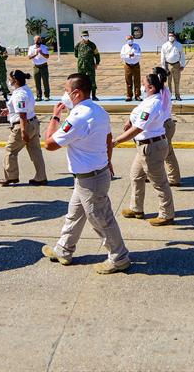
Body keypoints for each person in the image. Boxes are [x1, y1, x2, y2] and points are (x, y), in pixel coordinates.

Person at [42, 73, 131, 274]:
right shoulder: (99, 110)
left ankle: (119, 257)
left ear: (76, 93)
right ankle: (63, 250)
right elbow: (108, 138)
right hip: (92, 176)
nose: (64, 95)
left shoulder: (78, 118)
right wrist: (108, 161)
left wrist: (55, 117)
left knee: (102, 219)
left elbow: (49, 144)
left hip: (90, 179)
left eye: (66, 91)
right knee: (74, 215)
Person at [113, 73, 176, 226]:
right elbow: (138, 116)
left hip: (151, 147)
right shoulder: (148, 101)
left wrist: (116, 141)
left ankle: (167, 214)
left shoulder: (153, 104)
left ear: (151, 87)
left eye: (143, 84)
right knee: (136, 176)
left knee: (159, 182)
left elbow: (139, 128)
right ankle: (136, 209)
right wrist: (129, 119)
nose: (140, 87)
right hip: (144, 147)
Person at [0, 70, 47, 186]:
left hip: (24, 125)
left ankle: (11, 177)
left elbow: (22, 114)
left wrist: (23, 131)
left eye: (10, 79)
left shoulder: (19, 95)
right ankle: (41, 177)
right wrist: (9, 110)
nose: (8, 81)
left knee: (10, 150)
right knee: (35, 152)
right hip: (33, 122)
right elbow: (23, 107)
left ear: (15, 81)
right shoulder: (24, 89)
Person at [152, 66, 181, 187]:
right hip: (167, 124)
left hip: (164, 125)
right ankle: (151, 174)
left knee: (167, 153)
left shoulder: (159, 93)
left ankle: (174, 178)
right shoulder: (164, 90)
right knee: (154, 152)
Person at [74, 30, 101, 101]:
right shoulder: (78, 45)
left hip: (90, 66)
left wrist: (97, 63)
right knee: (81, 81)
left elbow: (96, 54)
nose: (85, 37)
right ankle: (82, 96)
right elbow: (76, 54)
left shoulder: (92, 45)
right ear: (81, 37)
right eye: (84, 36)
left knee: (92, 80)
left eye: (86, 35)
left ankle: (94, 96)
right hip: (81, 66)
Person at [160, 32, 186, 101]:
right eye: (169, 36)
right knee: (169, 82)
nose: (170, 37)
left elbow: (182, 55)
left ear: (174, 36)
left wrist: (182, 65)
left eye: (172, 36)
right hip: (168, 65)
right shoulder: (164, 45)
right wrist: (163, 67)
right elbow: (162, 57)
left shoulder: (179, 45)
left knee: (177, 81)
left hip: (176, 65)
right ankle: (169, 96)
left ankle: (177, 95)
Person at [28, 35, 51, 101]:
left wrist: (41, 53)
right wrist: (35, 54)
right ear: (34, 40)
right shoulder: (31, 48)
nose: (38, 41)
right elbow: (29, 57)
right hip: (36, 67)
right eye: (37, 40)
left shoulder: (44, 47)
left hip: (44, 66)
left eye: (39, 39)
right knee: (37, 82)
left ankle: (47, 96)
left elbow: (47, 56)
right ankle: (39, 96)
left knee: (45, 82)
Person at [120, 34, 142, 102]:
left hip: (136, 65)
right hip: (128, 65)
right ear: (126, 40)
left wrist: (134, 55)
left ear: (133, 39)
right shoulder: (124, 47)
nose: (130, 40)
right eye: (128, 39)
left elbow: (140, 55)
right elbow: (122, 55)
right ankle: (129, 95)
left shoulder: (137, 46)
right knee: (128, 81)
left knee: (137, 81)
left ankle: (137, 95)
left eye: (131, 39)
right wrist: (128, 55)